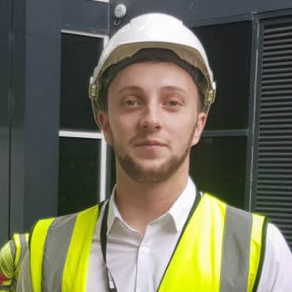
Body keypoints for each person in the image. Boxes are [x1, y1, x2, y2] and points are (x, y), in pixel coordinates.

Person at [17, 13, 292, 292]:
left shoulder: (260, 251)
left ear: (198, 126)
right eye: (131, 101)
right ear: (105, 124)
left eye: (172, 102)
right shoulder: (46, 250)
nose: (151, 119)